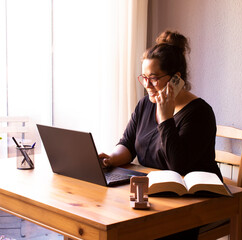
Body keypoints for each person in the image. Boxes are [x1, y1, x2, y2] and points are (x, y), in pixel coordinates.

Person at [99, 30, 222, 239]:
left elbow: (179, 166)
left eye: (153, 78)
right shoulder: (145, 104)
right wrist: (111, 158)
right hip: (155, 195)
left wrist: (166, 118)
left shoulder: (200, 112)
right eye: (144, 77)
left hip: (192, 202)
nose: (147, 85)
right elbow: (127, 144)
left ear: (176, 79)